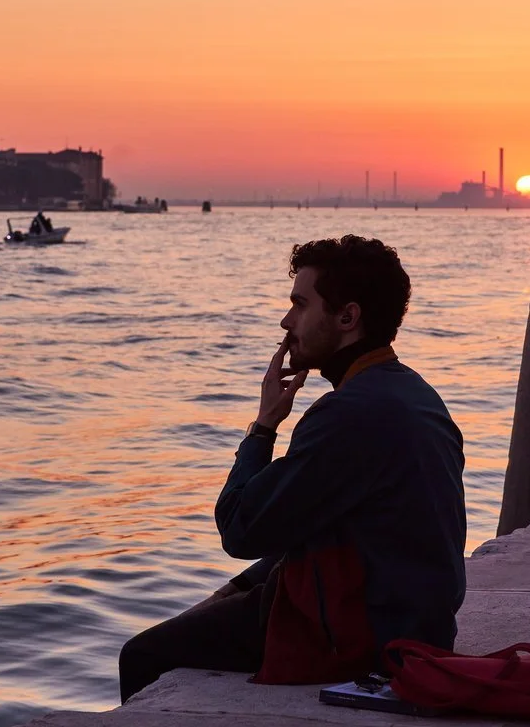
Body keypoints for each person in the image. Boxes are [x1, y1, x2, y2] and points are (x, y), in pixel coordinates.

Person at [118, 234, 466, 702]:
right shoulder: (414, 394)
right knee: (226, 603)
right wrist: (238, 589)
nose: (286, 322)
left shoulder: (349, 414)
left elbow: (240, 528)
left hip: (366, 638)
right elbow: (325, 526)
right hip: (419, 625)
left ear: (347, 317)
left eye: (300, 305)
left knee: (142, 655)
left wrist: (263, 427)